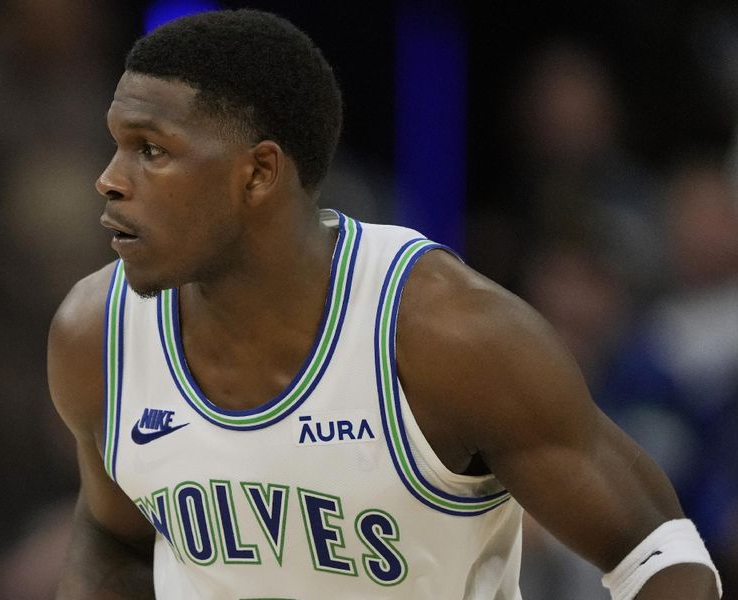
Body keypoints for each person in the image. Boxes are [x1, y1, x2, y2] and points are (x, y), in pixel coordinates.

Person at [48, 9, 722, 599]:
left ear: (257, 173)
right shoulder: (95, 335)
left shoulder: (448, 335)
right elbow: (116, 541)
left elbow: (661, 555)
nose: (109, 179)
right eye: (117, 144)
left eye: (151, 151)